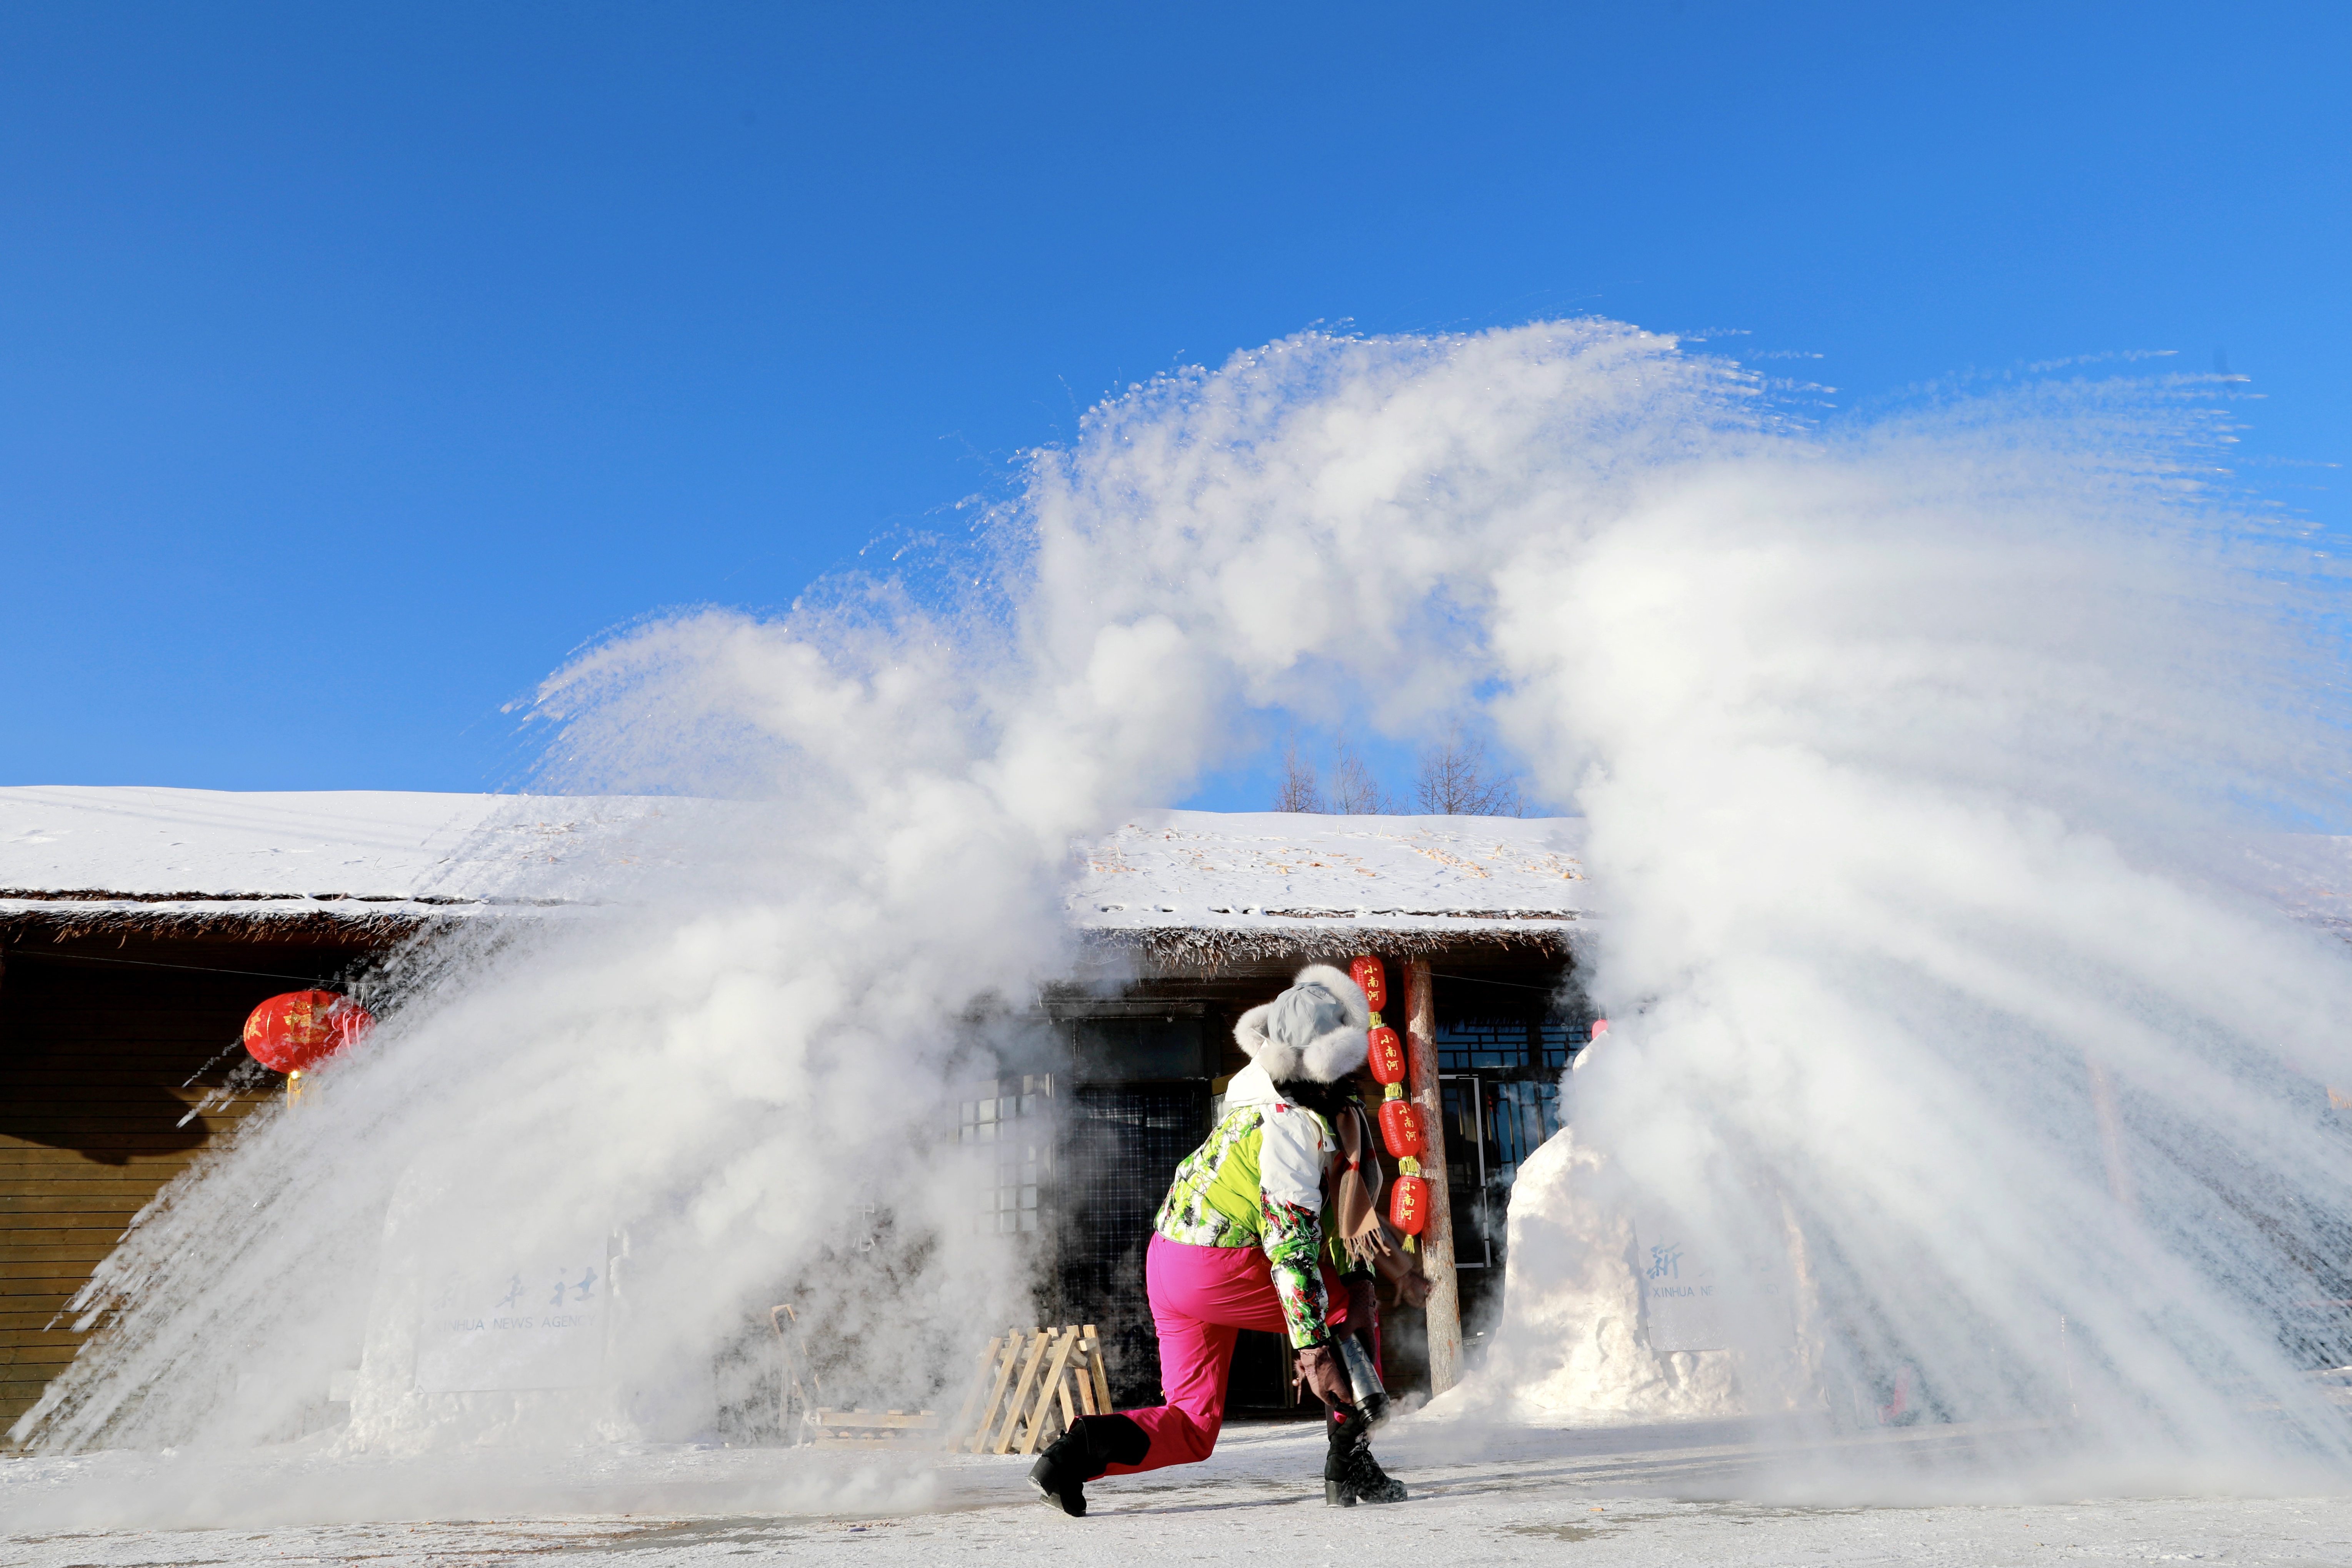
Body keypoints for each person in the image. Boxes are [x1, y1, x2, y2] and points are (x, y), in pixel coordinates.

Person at [1030, 964, 1424, 1515]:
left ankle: (1071, 1456)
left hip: (1168, 1260)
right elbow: (1292, 1245)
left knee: (1193, 1422)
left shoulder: (1255, 1098)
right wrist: (1313, 1348)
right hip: (1218, 1266)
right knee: (1347, 1313)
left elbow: (1329, 1218)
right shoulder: (1291, 1124)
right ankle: (1349, 1459)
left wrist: (1372, 1270)